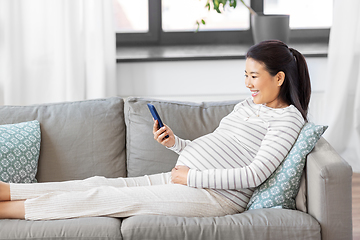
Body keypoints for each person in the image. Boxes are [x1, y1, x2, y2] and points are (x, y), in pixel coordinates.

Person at [0, 40, 311, 220]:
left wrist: (191, 176)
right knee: (99, 182)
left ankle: (9, 210)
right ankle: (8, 190)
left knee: (102, 196)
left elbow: (253, 174)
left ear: (279, 78)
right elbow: (223, 146)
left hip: (216, 197)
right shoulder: (248, 105)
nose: (247, 83)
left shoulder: (287, 120)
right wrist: (177, 144)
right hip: (186, 179)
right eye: (245, 74)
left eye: (254, 76)